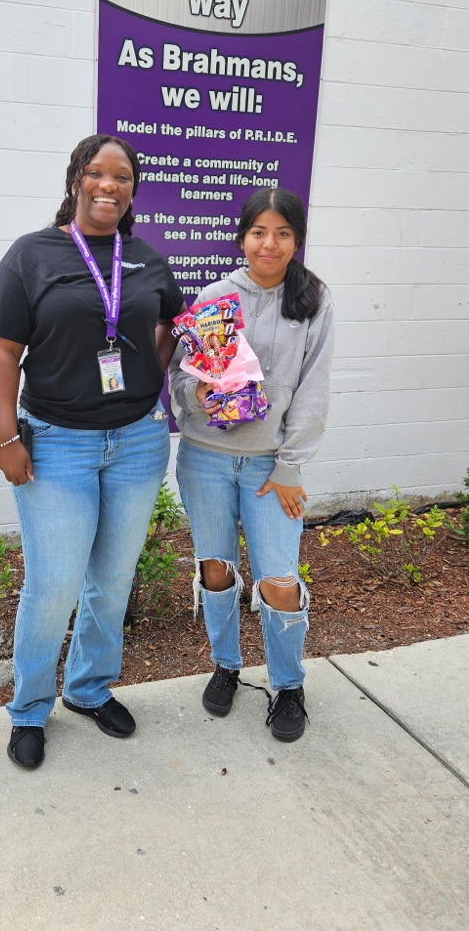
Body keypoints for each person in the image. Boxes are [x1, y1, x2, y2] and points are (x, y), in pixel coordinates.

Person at [0, 134, 185, 768]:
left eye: (121, 176)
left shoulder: (146, 258)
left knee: (112, 579)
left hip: (138, 442)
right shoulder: (32, 255)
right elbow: (3, 350)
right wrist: (7, 436)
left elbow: (164, 327)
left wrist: (147, 380)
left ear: (132, 189)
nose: (108, 185)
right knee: (53, 583)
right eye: (96, 172)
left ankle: (89, 688)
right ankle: (31, 708)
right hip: (56, 444)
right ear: (75, 180)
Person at [169, 188, 334, 742]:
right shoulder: (215, 296)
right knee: (215, 568)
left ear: (296, 240)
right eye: (259, 232)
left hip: (270, 469)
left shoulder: (313, 300)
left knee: (279, 579)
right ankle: (227, 665)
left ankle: (288, 684)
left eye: (283, 233)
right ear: (242, 237)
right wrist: (202, 397)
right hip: (205, 459)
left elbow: (313, 390)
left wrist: (291, 467)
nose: (270, 243)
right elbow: (178, 377)